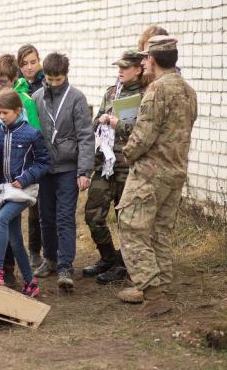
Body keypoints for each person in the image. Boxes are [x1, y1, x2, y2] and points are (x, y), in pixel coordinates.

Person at [115, 36, 197, 317]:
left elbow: (143, 135)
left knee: (131, 227)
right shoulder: (187, 90)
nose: (143, 62)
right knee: (161, 231)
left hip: (151, 173)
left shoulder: (157, 90)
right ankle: (160, 285)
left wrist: (127, 154)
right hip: (176, 171)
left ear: (151, 59)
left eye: (145, 58)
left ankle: (152, 293)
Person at [0, 89, 50, 297]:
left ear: (18, 111)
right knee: (16, 239)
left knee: (1, 219)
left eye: (5, 113)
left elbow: (43, 163)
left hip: (24, 190)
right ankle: (30, 283)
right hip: (6, 189)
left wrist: (25, 179)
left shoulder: (31, 134)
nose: (1, 117)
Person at [31, 53, 94, 289]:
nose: (54, 83)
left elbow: (86, 136)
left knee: (65, 217)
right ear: (44, 76)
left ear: (65, 75)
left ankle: (66, 266)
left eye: (58, 80)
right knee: (45, 217)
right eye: (50, 79)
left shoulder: (76, 98)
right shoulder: (37, 98)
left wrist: (84, 171)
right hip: (45, 167)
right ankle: (50, 258)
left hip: (68, 168)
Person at [83, 50, 145, 284]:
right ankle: (108, 257)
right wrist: (99, 122)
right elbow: (96, 120)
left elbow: (142, 133)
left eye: (125, 67)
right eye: (118, 67)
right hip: (104, 164)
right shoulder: (111, 92)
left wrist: (118, 125)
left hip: (127, 166)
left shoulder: (145, 95)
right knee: (93, 215)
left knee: (125, 220)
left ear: (138, 69)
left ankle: (126, 265)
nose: (120, 71)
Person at [17, 44, 45, 268]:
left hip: (43, 147)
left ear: (39, 61)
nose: (29, 67)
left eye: (33, 62)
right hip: (22, 149)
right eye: (25, 63)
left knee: (41, 204)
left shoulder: (48, 81)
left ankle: (41, 250)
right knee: (28, 201)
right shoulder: (17, 87)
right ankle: (32, 250)